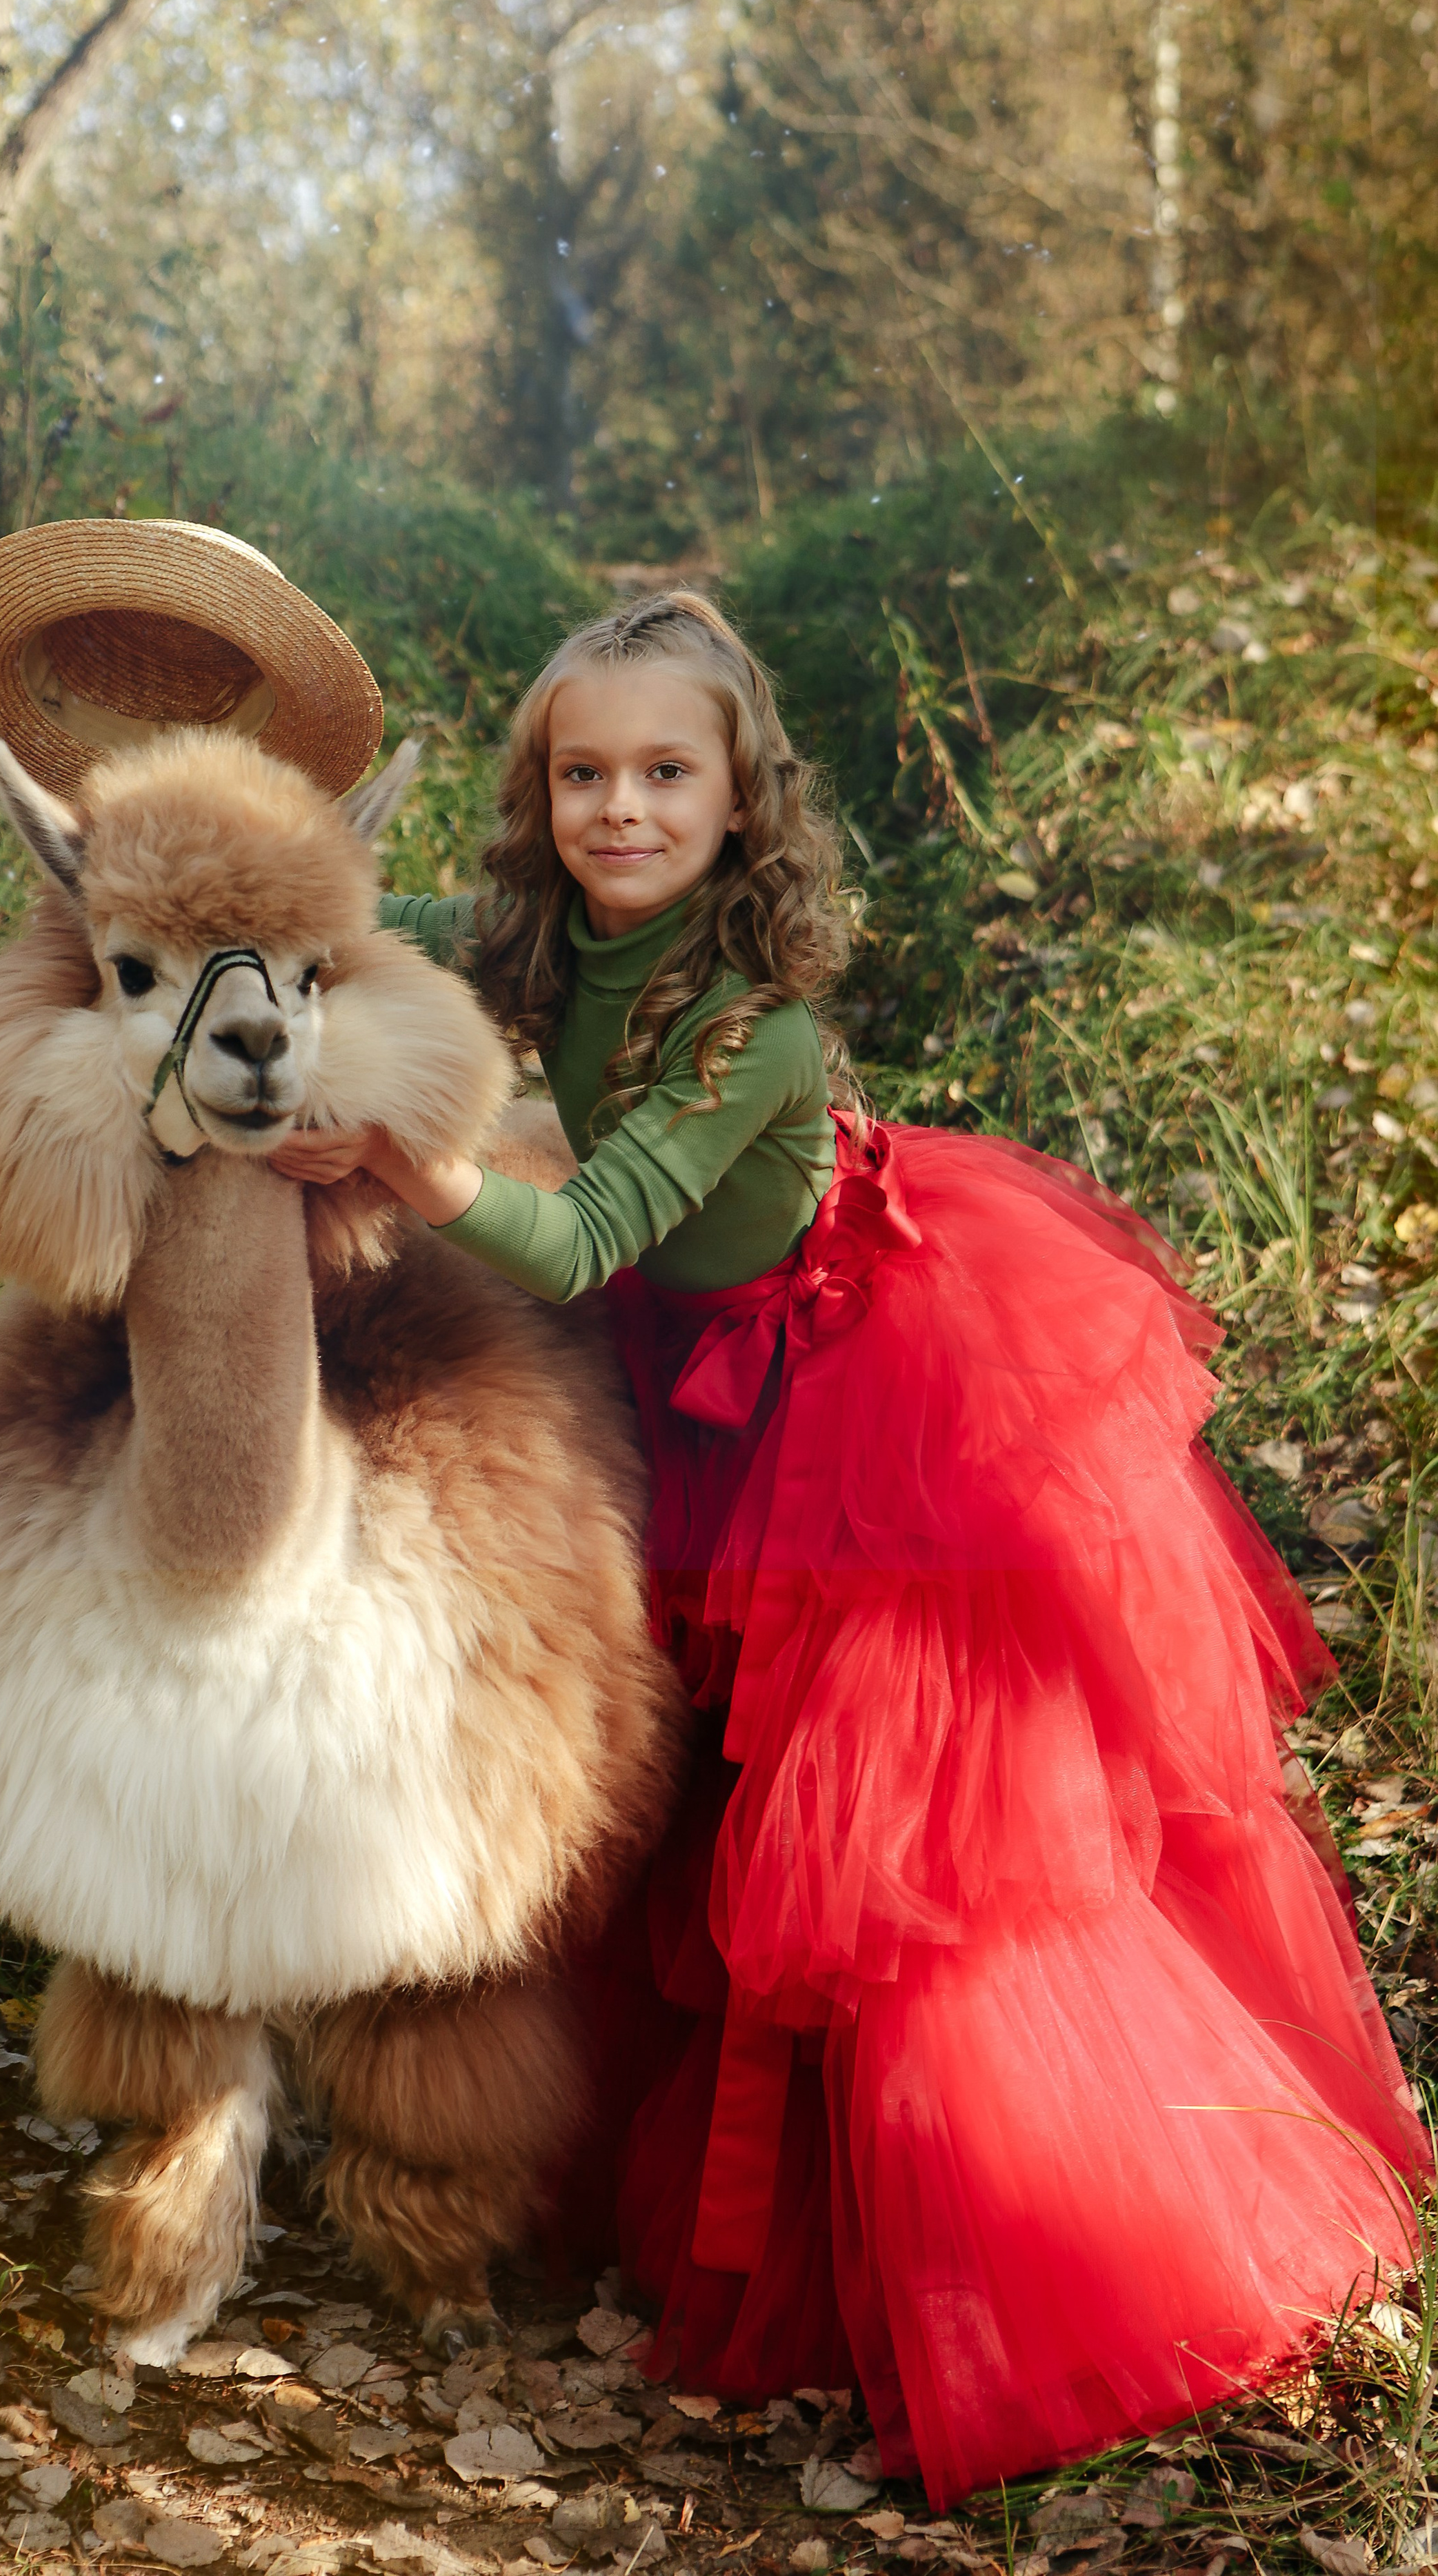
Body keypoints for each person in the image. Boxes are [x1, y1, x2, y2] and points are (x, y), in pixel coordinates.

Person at [271, 592, 1429, 2508]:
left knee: (891, 1874)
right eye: (584, 774)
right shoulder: (580, 953)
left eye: (666, 774)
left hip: (862, 1409)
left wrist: (397, 1162)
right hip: (706, 1382)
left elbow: (578, 1236)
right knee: (703, 1805)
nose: (621, 809)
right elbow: (549, 1105)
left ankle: (1058, 2258)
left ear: (741, 801)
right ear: (540, 794)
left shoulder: (759, 1027)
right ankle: (678, 2200)